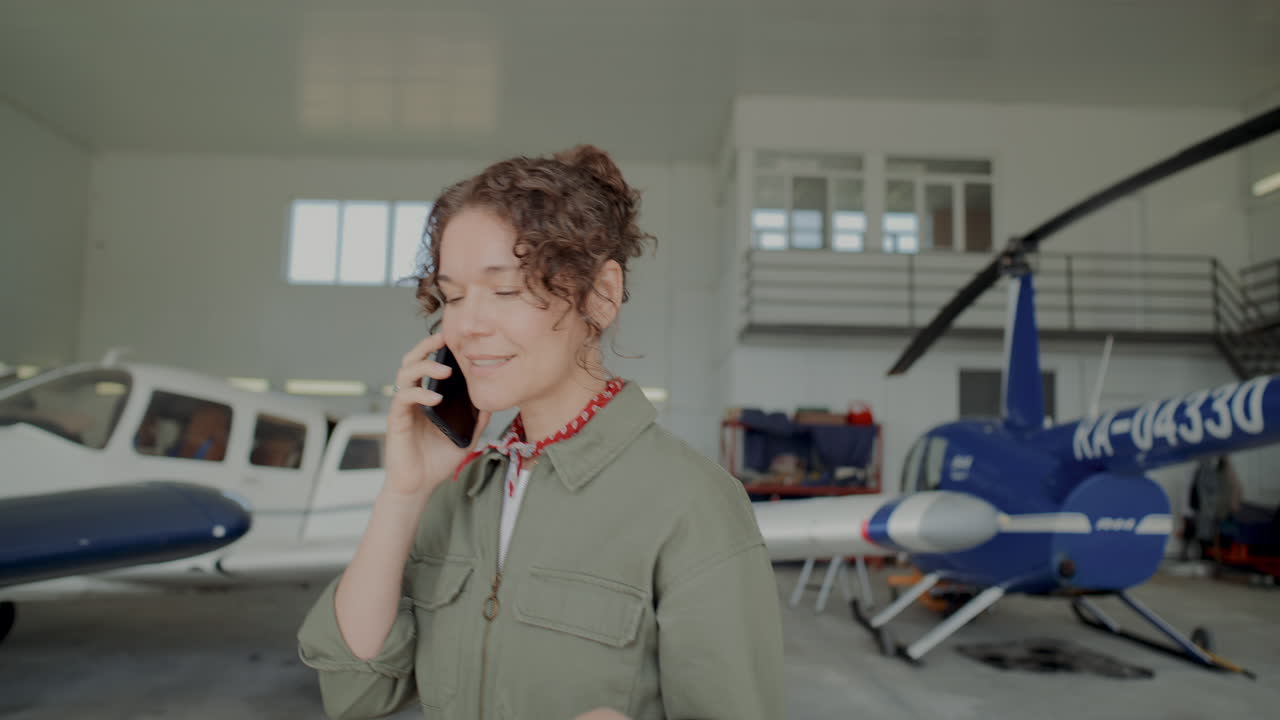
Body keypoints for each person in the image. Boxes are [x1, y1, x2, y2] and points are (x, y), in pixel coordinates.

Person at [297, 145, 785, 720]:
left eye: (505, 290)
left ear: (601, 296)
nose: (467, 325)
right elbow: (356, 691)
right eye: (452, 296)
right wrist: (404, 492)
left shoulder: (691, 502)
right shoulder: (460, 488)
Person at [1180, 454, 1242, 561]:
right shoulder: (1203, 469)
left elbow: (1230, 489)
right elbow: (1197, 491)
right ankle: (1197, 554)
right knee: (1196, 528)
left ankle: (1205, 554)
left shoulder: (1222, 471)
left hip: (1213, 508)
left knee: (1206, 529)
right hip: (1202, 508)